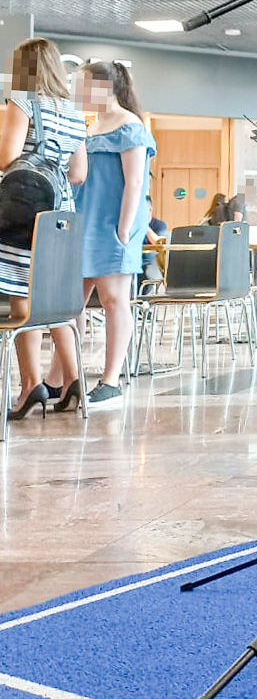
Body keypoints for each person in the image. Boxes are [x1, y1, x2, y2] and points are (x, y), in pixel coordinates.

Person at [46, 61, 156, 411]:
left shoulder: (131, 125)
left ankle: (110, 381)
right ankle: (61, 377)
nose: (76, 93)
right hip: (85, 219)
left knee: (113, 299)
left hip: (112, 222)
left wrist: (124, 229)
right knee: (70, 303)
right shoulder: (91, 126)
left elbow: (135, 182)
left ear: (103, 87)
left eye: (81, 85)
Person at [0, 39, 87, 420]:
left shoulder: (22, 102)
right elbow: (79, 173)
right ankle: (73, 379)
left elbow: (7, 156)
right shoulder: (73, 113)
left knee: (23, 293)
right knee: (55, 300)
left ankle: (31, 384)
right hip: (62, 215)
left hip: (24, 213)